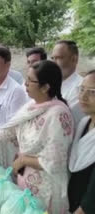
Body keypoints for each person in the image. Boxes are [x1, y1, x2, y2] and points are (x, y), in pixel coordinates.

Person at [0, 60, 74, 214]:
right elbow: (5, 133)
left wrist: (23, 160)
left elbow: (55, 160)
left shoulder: (58, 115)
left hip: (45, 191)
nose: (25, 84)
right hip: (25, 184)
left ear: (45, 87)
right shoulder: (30, 107)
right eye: (26, 78)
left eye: (31, 81)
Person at [68, 70, 95, 214]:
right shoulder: (83, 123)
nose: (83, 96)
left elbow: (91, 199)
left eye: (92, 92)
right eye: (82, 89)